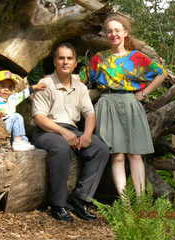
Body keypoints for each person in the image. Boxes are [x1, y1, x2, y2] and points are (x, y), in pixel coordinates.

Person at [80, 15, 168, 197]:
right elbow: (83, 79)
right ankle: (125, 203)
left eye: (117, 30)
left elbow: (161, 73)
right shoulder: (99, 58)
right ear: (105, 34)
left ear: (125, 32)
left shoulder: (136, 57)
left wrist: (143, 94)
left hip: (130, 104)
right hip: (106, 104)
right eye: (109, 31)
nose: (113, 34)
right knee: (117, 155)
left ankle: (140, 199)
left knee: (135, 154)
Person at [31, 43, 110, 222]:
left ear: (75, 63)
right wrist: (64, 133)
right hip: (47, 130)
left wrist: (88, 134)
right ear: (55, 61)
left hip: (73, 129)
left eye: (69, 58)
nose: (65, 62)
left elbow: (89, 114)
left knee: (101, 148)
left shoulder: (80, 87)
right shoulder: (46, 84)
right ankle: (58, 204)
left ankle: (81, 199)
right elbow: (39, 118)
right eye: (61, 58)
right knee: (60, 147)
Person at [0, 70, 46, 151]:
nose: (6, 89)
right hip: (1, 127)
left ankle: (21, 141)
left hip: (11, 129)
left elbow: (23, 94)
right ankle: (17, 143)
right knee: (16, 117)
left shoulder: (12, 98)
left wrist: (35, 87)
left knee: (19, 128)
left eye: (9, 87)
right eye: (3, 86)